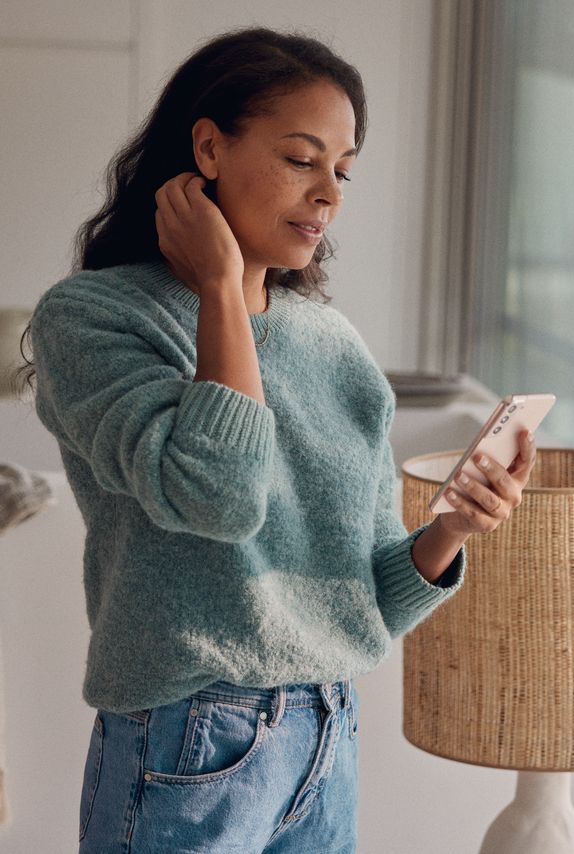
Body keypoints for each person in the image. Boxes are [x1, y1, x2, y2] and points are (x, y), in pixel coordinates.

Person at [16, 26, 536, 854]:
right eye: (301, 159)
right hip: (188, 737)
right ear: (209, 148)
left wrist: (449, 531)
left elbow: (361, 604)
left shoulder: (333, 345)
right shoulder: (94, 319)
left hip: (325, 731)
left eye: (343, 169)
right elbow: (214, 498)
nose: (328, 192)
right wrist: (222, 285)